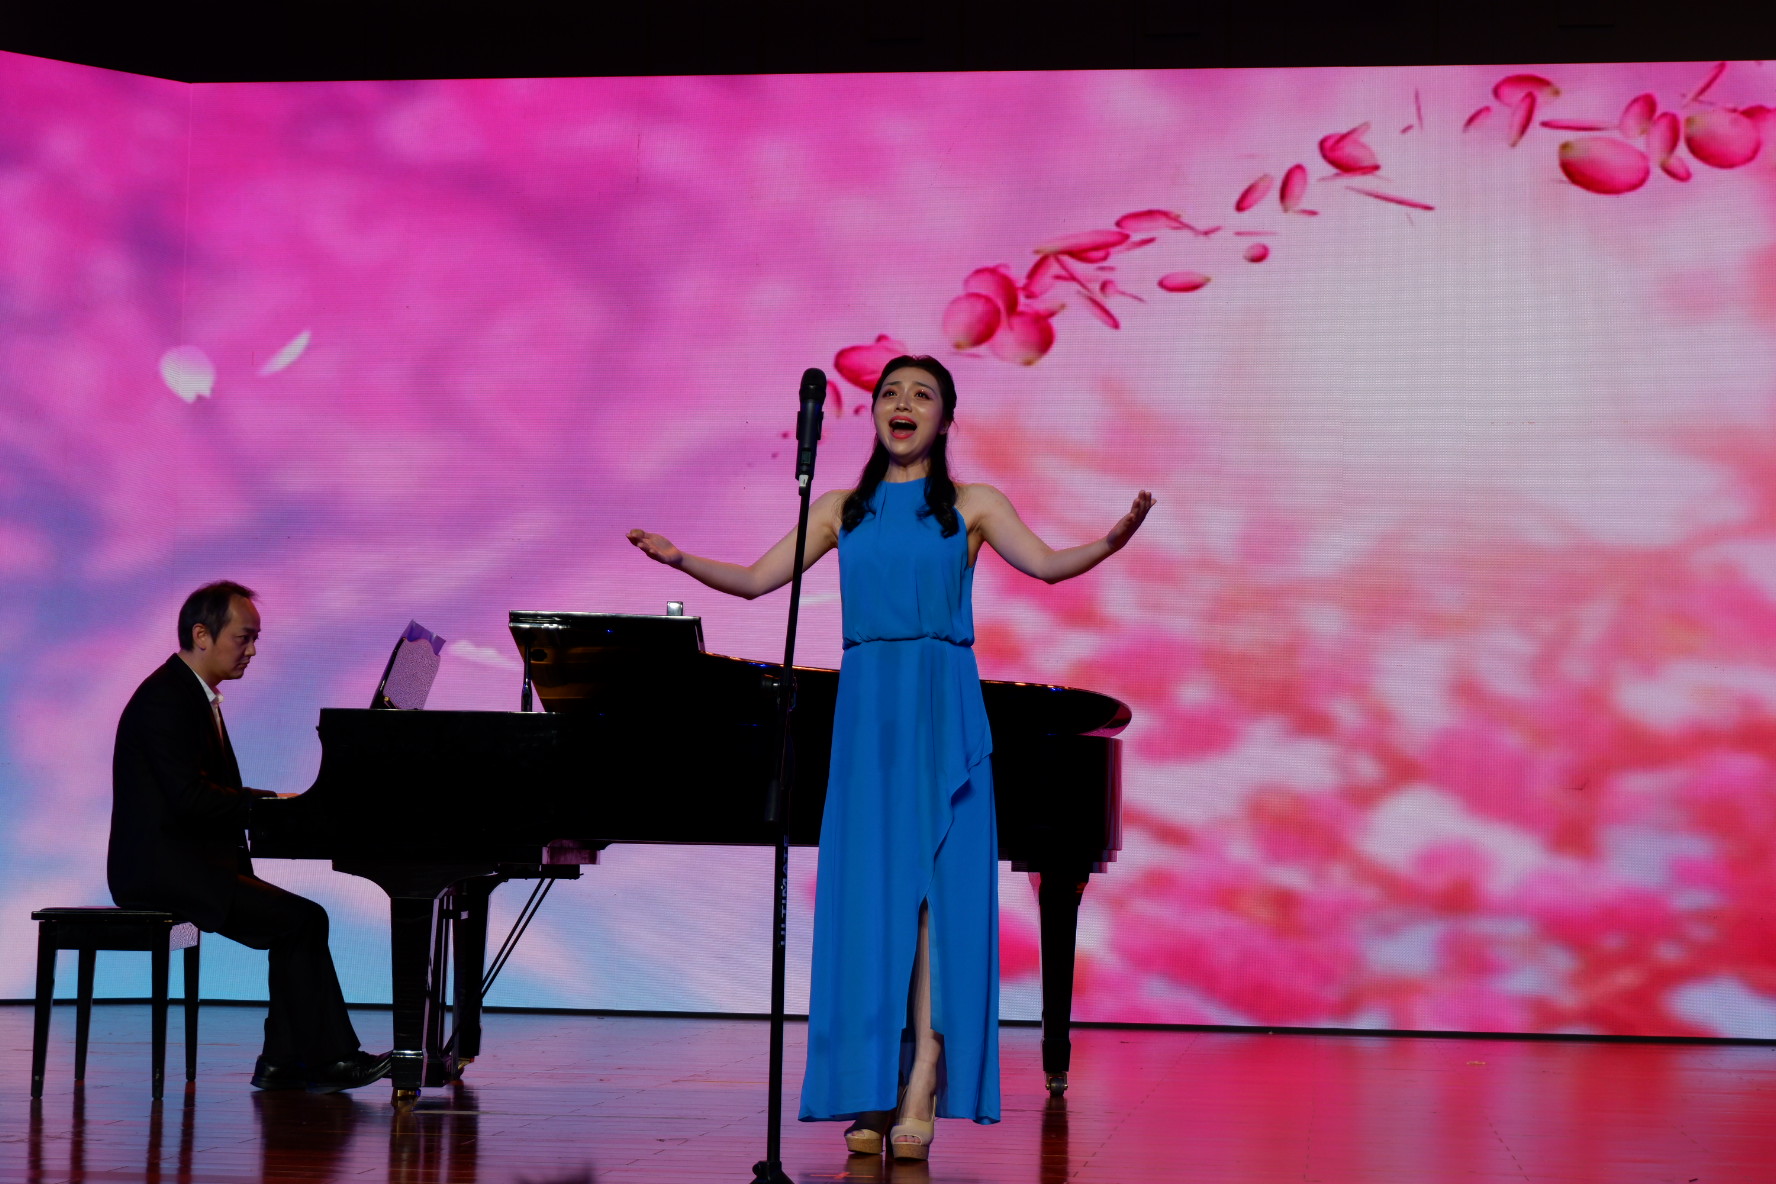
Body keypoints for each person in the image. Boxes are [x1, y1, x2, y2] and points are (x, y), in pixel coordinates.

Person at [628, 357, 1153, 1160]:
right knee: (869, 902)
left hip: (943, 706)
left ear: (945, 418)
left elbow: (1047, 565)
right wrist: (680, 560)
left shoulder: (973, 505)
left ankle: (924, 1075)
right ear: (874, 412)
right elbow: (757, 580)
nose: (902, 403)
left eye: (922, 394)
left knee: (937, 901)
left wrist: (1112, 540)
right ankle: (870, 1085)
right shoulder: (841, 509)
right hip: (869, 712)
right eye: (890, 393)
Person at [108, 580, 391, 1093]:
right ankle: (327, 1060)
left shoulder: (191, 696)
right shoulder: (165, 699)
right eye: (244, 638)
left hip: (185, 862)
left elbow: (205, 794)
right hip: (160, 870)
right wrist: (271, 803)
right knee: (301, 920)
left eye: (255, 639)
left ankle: (283, 1062)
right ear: (202, 634)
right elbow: (189, 798)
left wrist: (275, 805)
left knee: (298, 921)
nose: (253, 651)